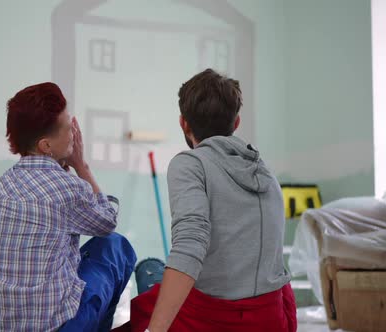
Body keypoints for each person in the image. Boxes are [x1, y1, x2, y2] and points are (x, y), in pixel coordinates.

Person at [125, 69, 296, 332]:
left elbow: (190, 245)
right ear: (236, 123)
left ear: (183, 123)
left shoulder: (190, 163)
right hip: (271, 319)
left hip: (211, 319)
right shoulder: (263, 169)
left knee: (149, 273)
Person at [0, 82, 136, 332]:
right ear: (46, 145)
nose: (73, 135)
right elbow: (106, 221)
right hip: (51, 325)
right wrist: (82, 167)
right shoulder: (68, 188)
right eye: (68, 128)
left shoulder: (0, 186)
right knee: (114, 245)